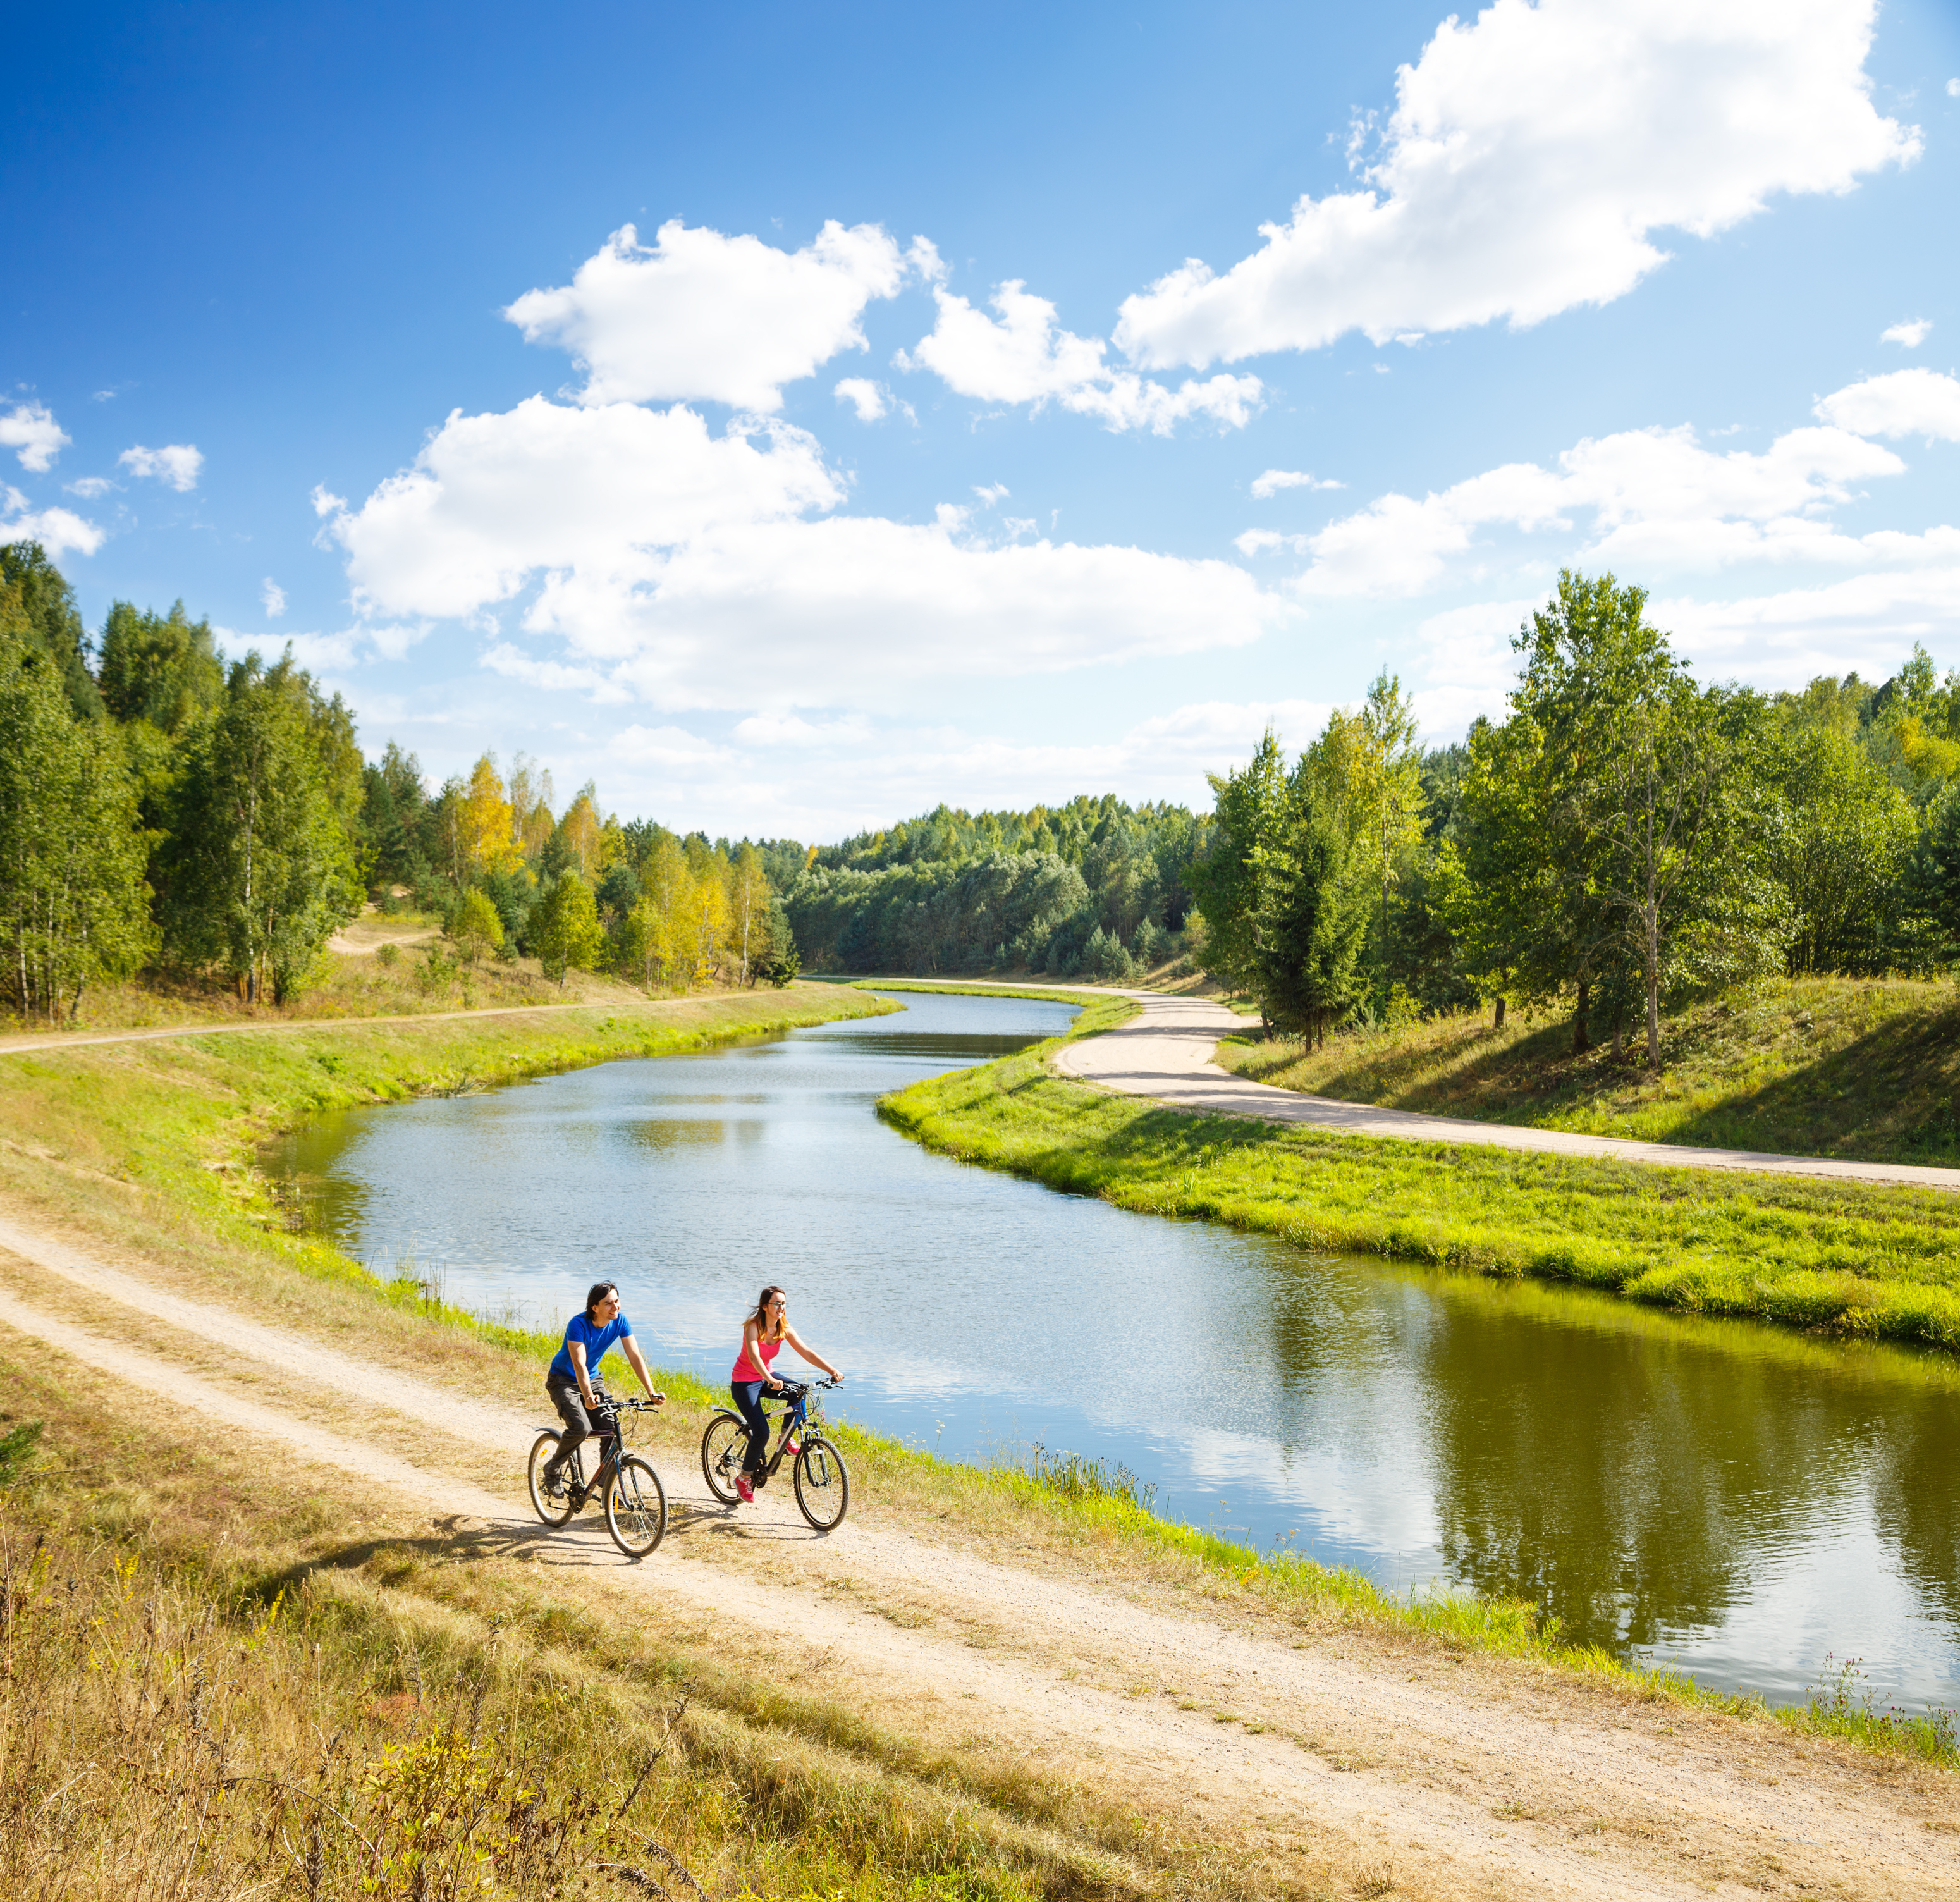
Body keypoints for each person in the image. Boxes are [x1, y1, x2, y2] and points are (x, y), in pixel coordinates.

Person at [542, 1281, 663, 1495]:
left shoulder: (620, 1321)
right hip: (563, 1380)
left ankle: (605, 1482)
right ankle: (552, 1470)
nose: (615, 1307)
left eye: (617, 1301)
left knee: (610, 1425)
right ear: (595, 1308)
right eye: (608, 1304)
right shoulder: (578, 1325)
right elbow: (579, 1364)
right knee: (581, 1428)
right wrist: (587, 1396)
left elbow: (635, 1356)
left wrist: (651, 1392)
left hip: (593, 1378)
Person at [730, 1284, 840, 1504]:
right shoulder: (753, 1327)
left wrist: (832, 1370)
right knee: (761, 1432)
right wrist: (769, 1379)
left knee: (798, 1393)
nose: (781, 1307)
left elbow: (807, 1352)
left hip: (767, 1377)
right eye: (777, 1303)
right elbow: (754, 1357)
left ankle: (785, 1438)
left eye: (784, 1303)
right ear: (764, 1307)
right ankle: (744, 1477)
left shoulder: (783, 1328)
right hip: (745, 1382)